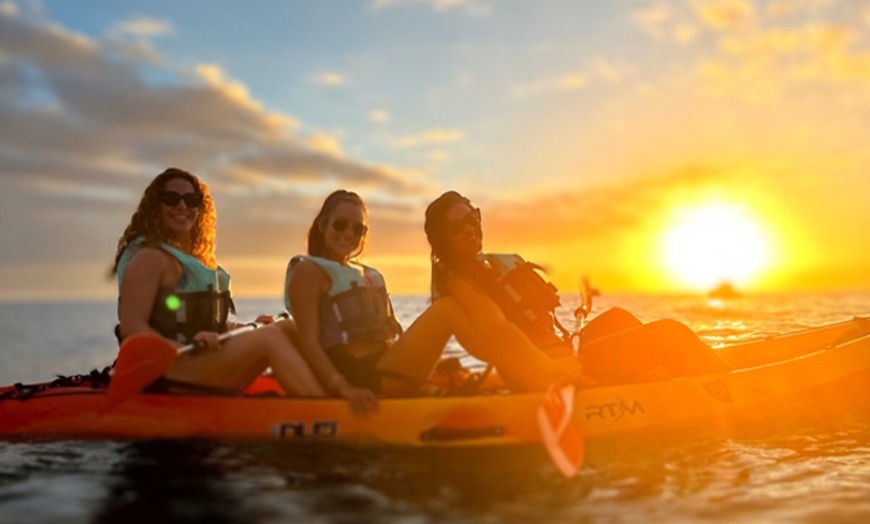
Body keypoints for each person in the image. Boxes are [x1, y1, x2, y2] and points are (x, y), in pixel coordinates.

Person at [285, 190, 584, 414]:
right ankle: (539, 371)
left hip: (389, 367)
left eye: (358, 229)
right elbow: (309, 342)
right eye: (340, 225)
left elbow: (391, 336)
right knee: (447, 310)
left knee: (452, 313)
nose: (349, 234)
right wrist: (344, 389)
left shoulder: (364, 274)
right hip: (368, 378)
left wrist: (433, 365)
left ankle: (530, 369)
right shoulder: (309, 271)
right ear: (323, 225)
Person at [411, 190, 732, 387]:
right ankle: (731, 387)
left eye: (473, 218)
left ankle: (656, 380)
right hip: (549, 371)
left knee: (618, 317)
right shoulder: (460, 283)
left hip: (565, 352)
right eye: (458, 228)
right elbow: (497, 334)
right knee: (670, 334)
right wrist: (554, 371)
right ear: (444, 241)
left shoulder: (485, 267)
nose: (471, 229)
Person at [112, 167, 325, 396]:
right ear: (156, 206)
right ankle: (329, 412)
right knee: (270, 338)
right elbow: (132, 327)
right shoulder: (150, 257)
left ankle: (336, 388)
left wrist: (243, 328)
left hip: (198, 363)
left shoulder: (190, 259)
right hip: (169, 371)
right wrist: (185, 348)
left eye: (192, 200)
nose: (182, 206)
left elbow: (202, 323)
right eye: (170, 199)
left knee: (283, 327)